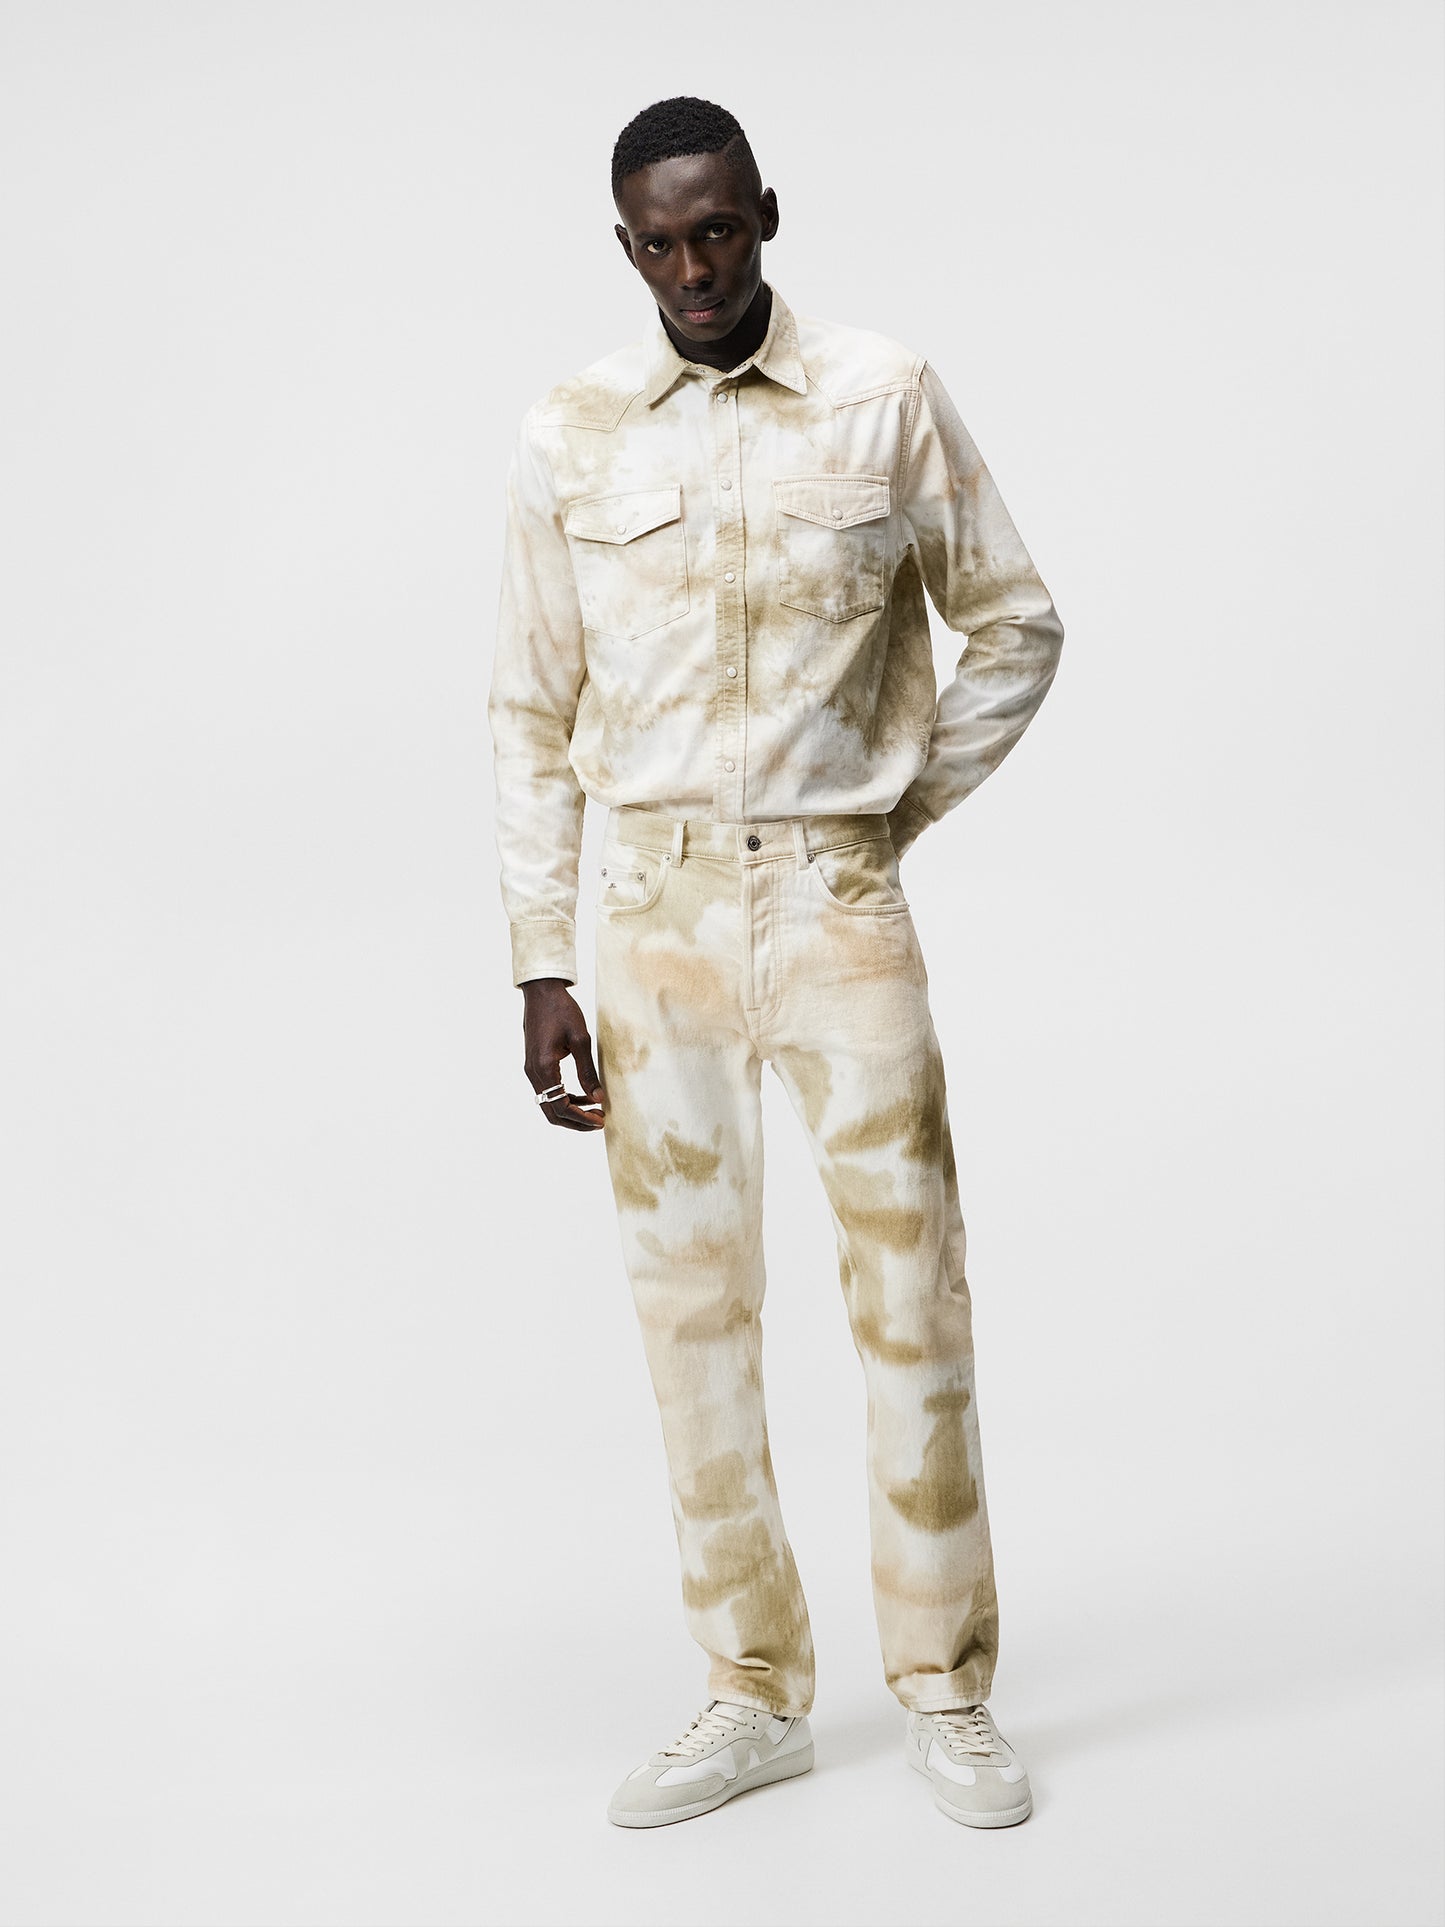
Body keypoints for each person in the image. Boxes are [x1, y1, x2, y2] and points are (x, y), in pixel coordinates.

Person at [487, 95, 1063, 1831]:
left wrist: (890, 813)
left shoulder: (882, 396)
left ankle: (946, 1689)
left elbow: (1014, 621)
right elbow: (528, 709)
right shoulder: (574, 431)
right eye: (660, 242)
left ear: (766, 215)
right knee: (690, 1312)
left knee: (911, 1291)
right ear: (625, 246)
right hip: (650, 921)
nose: (694, 268)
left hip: (835, 909)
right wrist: (541, 959)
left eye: (719, 229)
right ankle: (749, 1692)